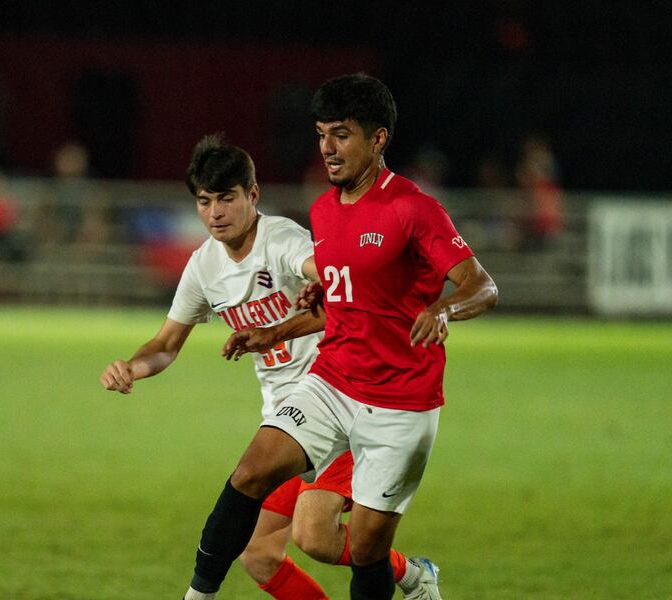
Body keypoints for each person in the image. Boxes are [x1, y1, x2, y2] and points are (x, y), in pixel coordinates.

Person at [184, 73, 498, 600]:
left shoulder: (412, 208)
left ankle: (413, 579)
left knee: (367, 549)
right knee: (249, 472)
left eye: (342, 134)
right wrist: (277, 329)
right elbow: (341, 304)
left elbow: (481, 285)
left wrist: (444, 309)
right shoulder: (324, 210)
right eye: (322, 133)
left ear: (378, 140)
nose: (327, 148)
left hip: (401, 403)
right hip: (332, 380)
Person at [101, 135, 440, 599]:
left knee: (315, 537)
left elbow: (340, 284)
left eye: (227, 198)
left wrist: (314, 288)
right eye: (204, 201)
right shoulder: (204, 266)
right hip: (285, 419)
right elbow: (165, 343)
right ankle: (412, 576)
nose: (215, 212)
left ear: (252, 195)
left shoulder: (281, 241)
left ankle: (410, 574)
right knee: (258, 555)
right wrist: (132, 368)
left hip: (339, 404)